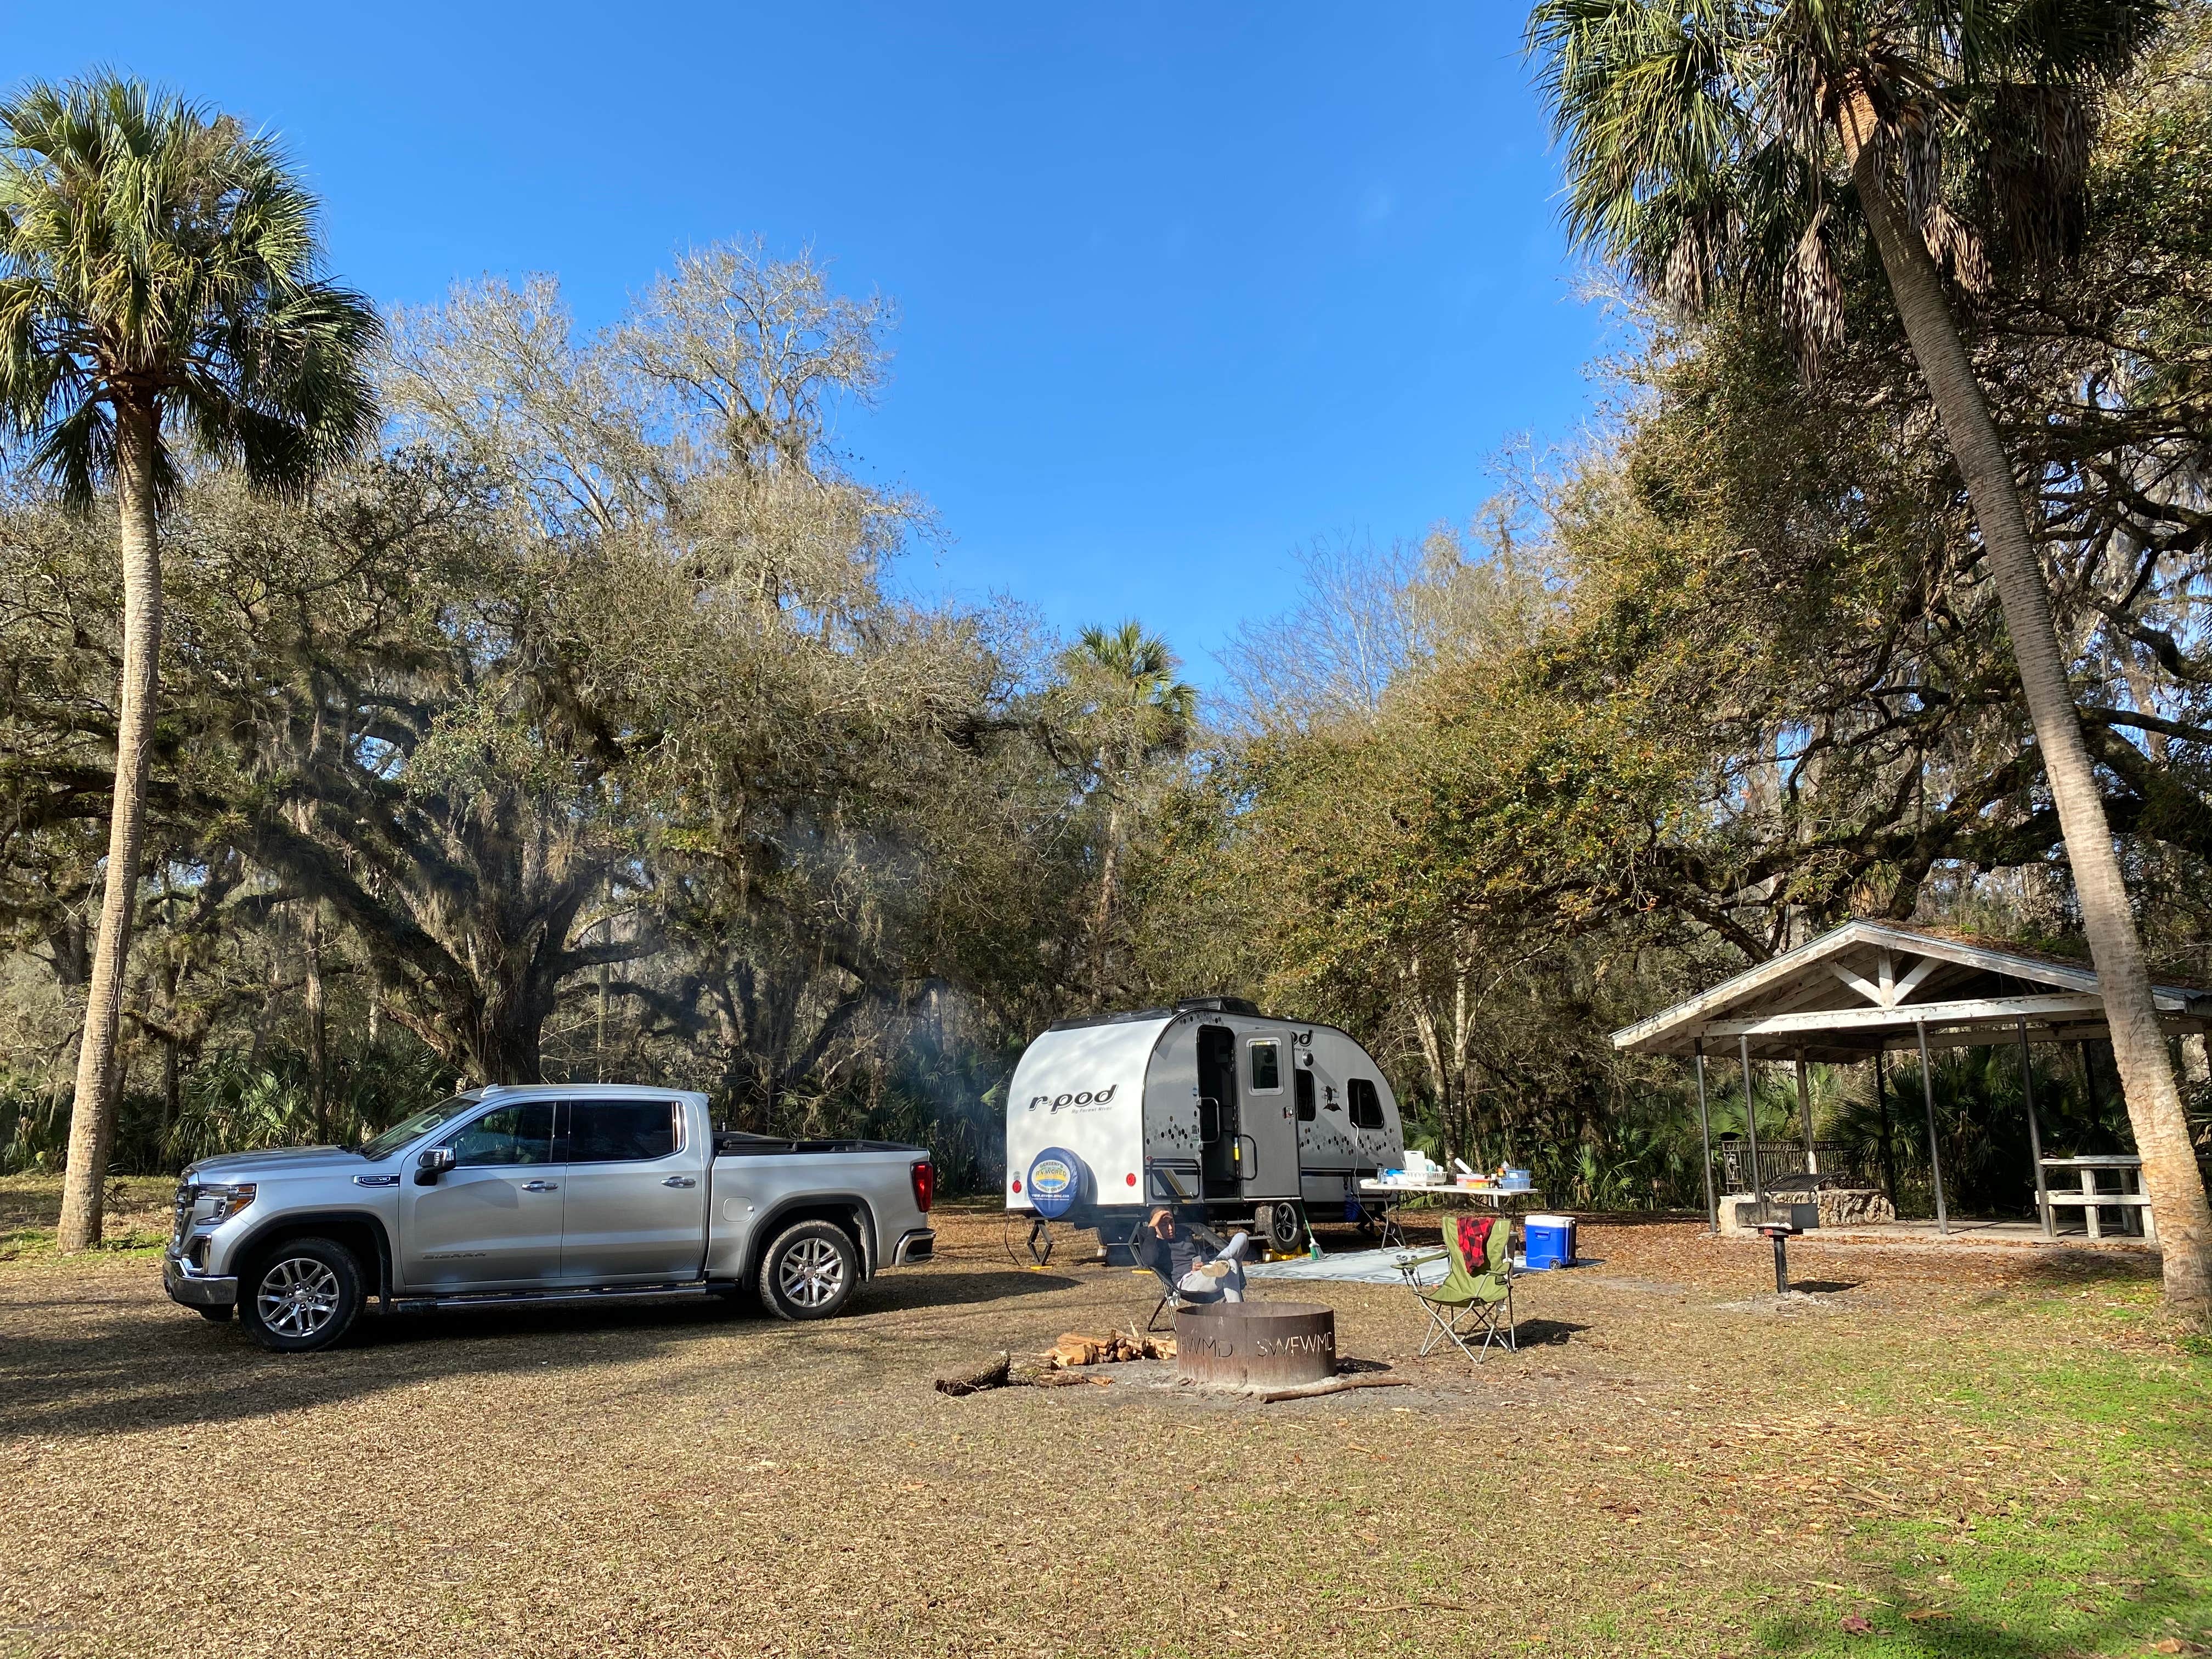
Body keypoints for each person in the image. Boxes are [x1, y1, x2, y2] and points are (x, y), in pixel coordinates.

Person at [1135, 1205, 1251, 1305]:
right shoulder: (1155, 1244)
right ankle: (1238, 1313)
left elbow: (1203, 1257)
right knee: (1232, 1264)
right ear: (1155, 1226)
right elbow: (1149, 1261)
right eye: (1164, 1224)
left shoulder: (1184, 1236)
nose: (1170, 1228)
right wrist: (1151, 1228)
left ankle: (1219, 1260)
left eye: (1171, 1222)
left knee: (1242, 1237)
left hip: (1205, 1273)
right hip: (1187, 1282)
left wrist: (1203, 1265)